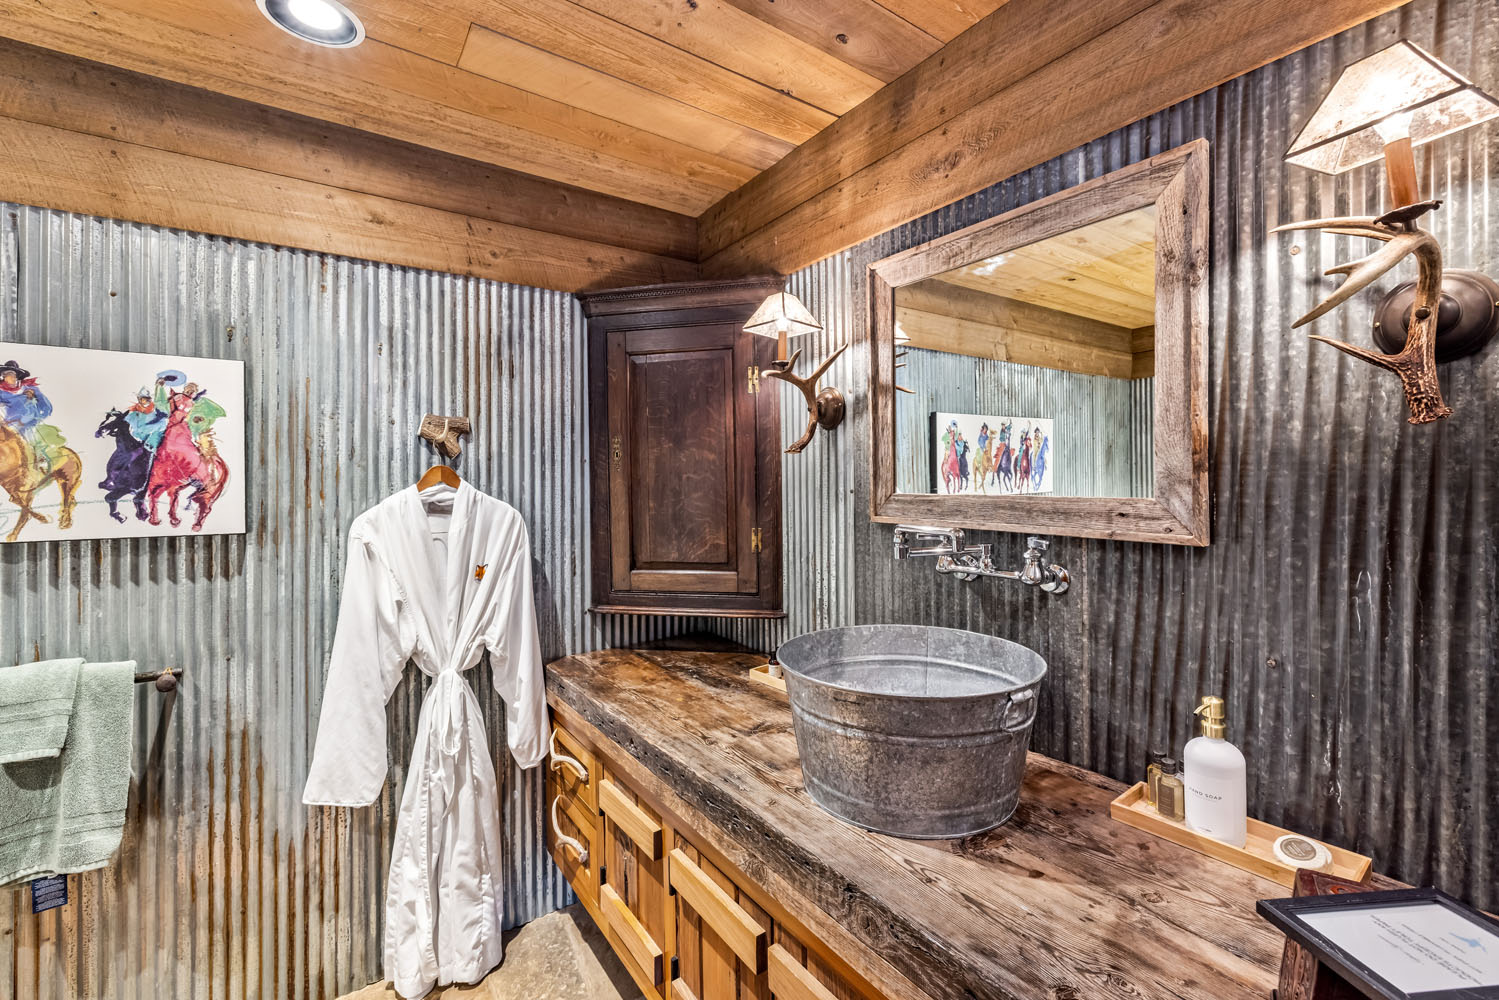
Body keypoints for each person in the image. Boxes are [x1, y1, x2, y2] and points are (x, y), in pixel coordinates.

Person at [0, 360, 60, 474]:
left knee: (30, 438)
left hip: (28, 422)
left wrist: (37, 416)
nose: (7, 377)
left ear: (17, 376)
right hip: (8, 422)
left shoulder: (28, 388)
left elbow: (46, 406)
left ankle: (39, 460)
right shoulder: (1, 391)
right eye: (5, 374)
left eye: (11, 374)